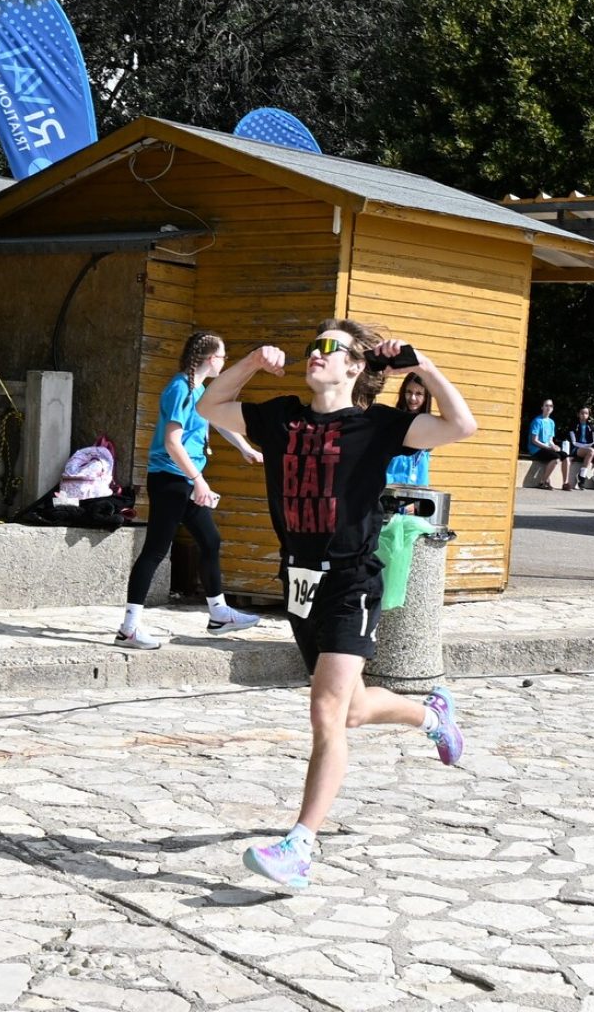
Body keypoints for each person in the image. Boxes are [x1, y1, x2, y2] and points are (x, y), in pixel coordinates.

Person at [197, 318, 477, 889]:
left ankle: (299, 846)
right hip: (299, 582)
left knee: (325, 712)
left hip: (352, 582)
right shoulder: (282, 418)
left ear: (355, 366)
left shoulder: (377, 425)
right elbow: (209, 405)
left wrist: (421, 365)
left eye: (331, 347)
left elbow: (462, 425)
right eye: (313, 347)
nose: (316, 354)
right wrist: (251, 361)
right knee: (349, 710)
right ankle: (432, 716)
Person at [115, 331, 263, 650]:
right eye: (223, 356)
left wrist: (245, 448)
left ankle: (219, 614)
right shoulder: (180, 389)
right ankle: (128, 628)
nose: (224, 362)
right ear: (210, 359)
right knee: (155, 550)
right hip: (170, 479)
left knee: (210, 540)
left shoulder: (200, 390)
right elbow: (172, 442)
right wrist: (198, 480)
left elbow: (217, 421)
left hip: (185, 479)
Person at [385, 373, 432, 486]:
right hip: (389, 490)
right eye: (409, 392)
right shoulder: (392, 421)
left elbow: (422, 472)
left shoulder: (429, 426)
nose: (412, 398)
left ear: (426, 397)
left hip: (415, 491)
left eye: (419, 393)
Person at [527, 399, 571, 490]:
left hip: (547, 448)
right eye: (546, 405)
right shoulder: (537, 421)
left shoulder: (551, 422)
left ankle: (565, 483)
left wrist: (554, 446)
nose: (548, 408)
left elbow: (550, 440)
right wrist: (549, 448)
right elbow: (534, 441)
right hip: (536, 449)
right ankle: (543, 482)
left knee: (566, 457)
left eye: (550, 406)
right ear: (542, 407)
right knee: (556, 458)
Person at [568, 406, 594, 490]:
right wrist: (588, 446)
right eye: (582, 413)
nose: (584, 415)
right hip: (576, 448)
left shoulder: (591, 426)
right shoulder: (574, 425)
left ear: (588, 415)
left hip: (588, 448)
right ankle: (581, 476)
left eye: (586, 413)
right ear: (578, 414)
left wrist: (591, 446)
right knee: (591, 451)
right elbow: (574, 442)